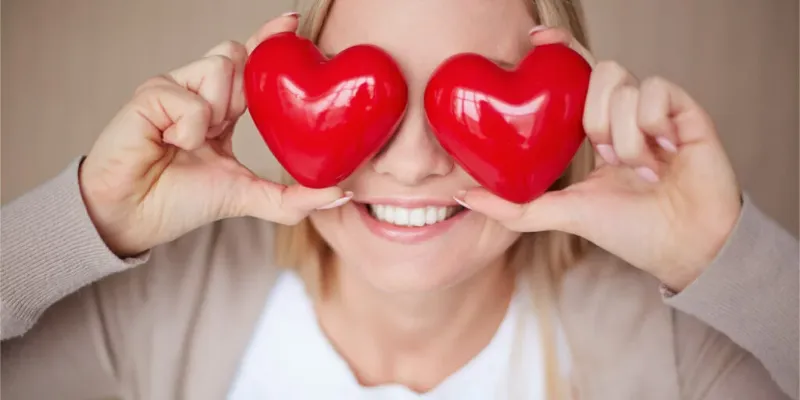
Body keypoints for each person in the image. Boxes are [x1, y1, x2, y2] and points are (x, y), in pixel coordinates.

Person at [1, 0, 797, 398]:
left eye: (464, 99)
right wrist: (90, 215)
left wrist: (723, 255)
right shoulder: (165, 307)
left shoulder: (672, 357)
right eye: (370, 94)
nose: (413, 166)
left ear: (566, 115)